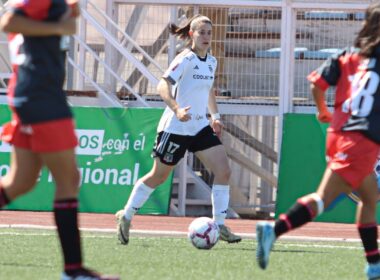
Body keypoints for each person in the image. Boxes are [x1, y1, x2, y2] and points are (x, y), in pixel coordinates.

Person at [255, 2, 380, 279]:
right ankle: (273, 231)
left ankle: (374, 265)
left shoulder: (347, 56)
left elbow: (316, 84)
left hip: (340, 134)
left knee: (370, 197)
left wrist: (323, 111)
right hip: (360, 140)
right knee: (324, 199)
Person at [0, 1, 118, 279]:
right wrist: (58, 25)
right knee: (68, 180)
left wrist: (65, 14)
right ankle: (73, 271)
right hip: (42, 98)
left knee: (21, 182)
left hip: (31, 95)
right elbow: (8, 22)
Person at [115, 14, 241, 245]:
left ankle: (220, 225)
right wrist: (176, 109)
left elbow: (209, 88)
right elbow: (163, 84)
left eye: (209, 33)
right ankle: (127, 214)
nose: (205, 37)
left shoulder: (211, 61)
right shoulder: (185, 59)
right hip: (176, 126)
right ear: (191, 34)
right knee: (159, 176)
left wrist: (215, 116)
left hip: (199, 126)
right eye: (201, 32)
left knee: (223, 171)